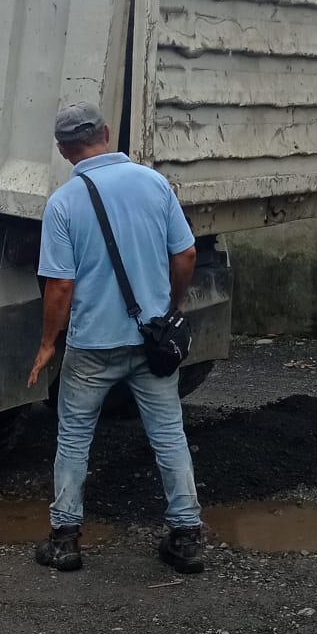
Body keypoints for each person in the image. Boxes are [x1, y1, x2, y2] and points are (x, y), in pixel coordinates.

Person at [27, 103, 204, 575]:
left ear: (63, 150)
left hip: (92, 346)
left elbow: (60, 286)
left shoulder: (63, 203)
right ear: (106, 133)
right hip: (151, 342)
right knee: (168, 435)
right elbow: (186, 253)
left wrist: (47, 343)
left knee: (74, 437)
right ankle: (186, 538)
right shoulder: (154, 183)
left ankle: (65, 541)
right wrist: (171, 307)